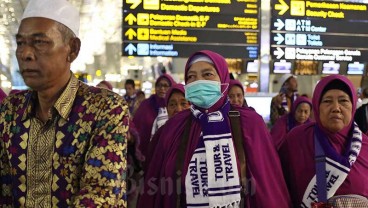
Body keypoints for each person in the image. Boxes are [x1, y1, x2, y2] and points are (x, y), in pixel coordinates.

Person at [0, 0, 128, 207]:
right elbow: (5, 189)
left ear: (72, 49)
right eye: (21, 43)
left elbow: (101, 193)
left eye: (40, 42)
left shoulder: (104, 108)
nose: (25, 54)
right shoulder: (11, 110)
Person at [137, 50, 291, 208]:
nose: (198, 82)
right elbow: (156, 185)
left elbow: (268, 188)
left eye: (207, 74)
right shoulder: (174, 127)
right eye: (191, 77)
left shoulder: (249, 123)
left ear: (223, 78)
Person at [279, 75, 368, 207]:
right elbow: (278, 187)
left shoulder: (365, 146)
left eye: (343, 101)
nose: (336, 108)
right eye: (327, 101)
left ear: (353, 106)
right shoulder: (297, 140)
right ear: (317, 106)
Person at [133, 74, 175, 158]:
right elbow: (136, 126)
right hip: (146, 154)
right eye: (159, 85)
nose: (162, 88)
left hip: (170, 153)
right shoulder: (146, 105)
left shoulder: (175, 106)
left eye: (166, 86)